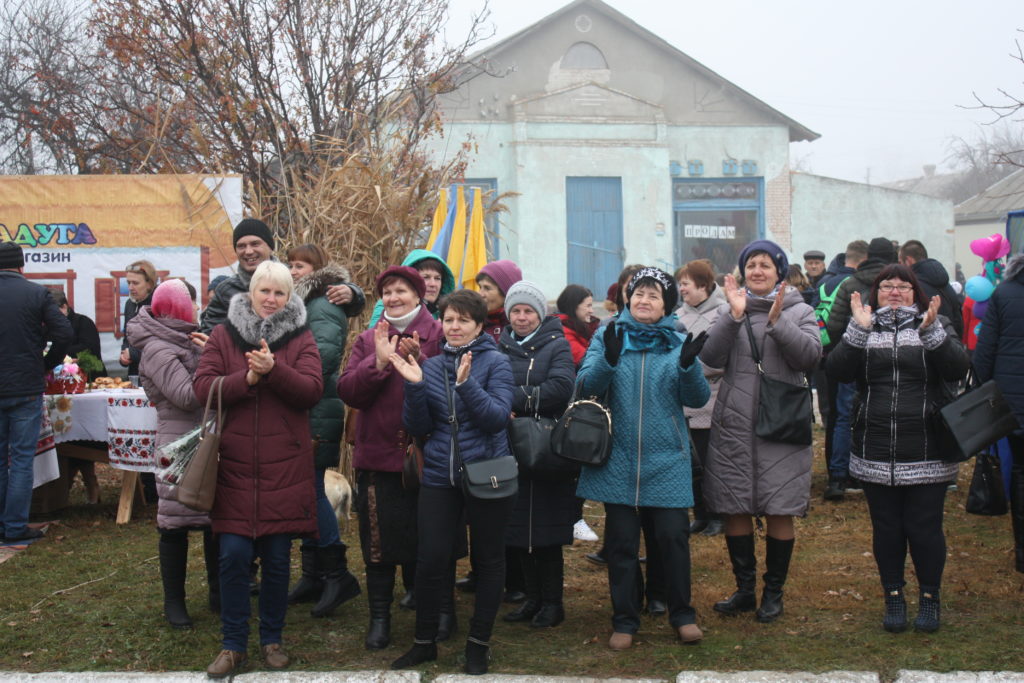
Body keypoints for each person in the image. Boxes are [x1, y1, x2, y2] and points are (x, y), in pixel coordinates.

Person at [194, 261, 323, 678]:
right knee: (231, 557)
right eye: (264, 291)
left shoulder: (301, 337)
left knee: (278, 558)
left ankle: (272, 638)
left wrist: (275, 371)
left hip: (284, 466)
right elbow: (203, 387)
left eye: (279, 293)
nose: (270, 299)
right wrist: (246, 379)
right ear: (251, 292)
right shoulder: (222, 335)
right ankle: (233, 645)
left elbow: (311, 391)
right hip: (232, 464)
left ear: (290, 298)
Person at [827, 264, 969, 633]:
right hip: (874, 447)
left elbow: (957, 369)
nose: (894, 291)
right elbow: (837, 371)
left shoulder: (932, 321)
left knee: (925, 529)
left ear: (915, 293)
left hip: (928, 448)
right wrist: (856, 330)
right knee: (887, 529)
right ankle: (893, 597)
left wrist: (932, 332)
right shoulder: (863, 324)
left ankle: (929, 599)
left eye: (903, 286)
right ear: (875, 293)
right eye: (886, 286)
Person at [576, 267, 710, 650]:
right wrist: (609, 360)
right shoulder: (608, 335)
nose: (644, 301)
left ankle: (682, 615)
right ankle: (625, 620)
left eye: (653, 295)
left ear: (667, 304)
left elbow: (697, 399)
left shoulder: (678, 339)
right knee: (620, 544)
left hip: (667, 457)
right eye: (638, 294)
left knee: (672, 538)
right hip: (617, 457)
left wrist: (687, 367)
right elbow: (584, 385)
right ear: (627, 299)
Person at [389, 289, 515, 675]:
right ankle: (424, 643)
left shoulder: (496, 362)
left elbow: (496, 418)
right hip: (440, 475)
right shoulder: (429, 365)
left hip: (487, 472)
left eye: (463, 320)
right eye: (448, 319)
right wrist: (413, 385)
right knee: (430, 559)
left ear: (479, 324)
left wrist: (466, 385)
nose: (454, 326)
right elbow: (419, 427)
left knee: (488, 559)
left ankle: (478, 644)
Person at [700, 239, 821, 624]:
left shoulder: (800, 310)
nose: (757, 271)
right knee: (735, 505)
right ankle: (745, 590)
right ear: (742, 272)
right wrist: (732, 317)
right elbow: (710, 361)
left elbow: (809, 357)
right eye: (751, 265)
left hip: (781, 425)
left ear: (779, 273)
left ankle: (774, 593)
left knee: (779, 508)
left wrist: (777, 320)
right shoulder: (728, 311)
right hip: (734, 424)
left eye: (766, 265)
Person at [337, 266, 445, 650]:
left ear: (419, 296)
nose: (394, 297)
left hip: (431, 456)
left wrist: (423, 361)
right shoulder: (370, 339)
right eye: (387, 291)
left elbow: (452, 389)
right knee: (379, 542)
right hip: (379, 457)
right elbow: (349, 391)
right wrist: (379, 363)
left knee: (431, 539)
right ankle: (379, 617)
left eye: (402, 290)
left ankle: (435, 610)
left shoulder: (440, 333)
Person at [127, 279, 218, 630]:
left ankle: (218, 594)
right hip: (177, 442)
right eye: (190, 305)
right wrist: (212, 358)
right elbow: (185, 395)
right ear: (179, 311)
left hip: (204, 438)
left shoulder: (182, 340)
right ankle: (174, 602)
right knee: (174, 526)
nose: (196, 310)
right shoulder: (158, 348)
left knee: (214, 522)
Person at [285, 244, 361, 618]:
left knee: (314, 491)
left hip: (316, 410)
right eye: (291, 265)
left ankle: (337, 574)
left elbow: (324, 357)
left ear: (316, 269)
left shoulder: (323, 304)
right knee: (304, 492)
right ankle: (314, 574)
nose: (293, 270)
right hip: (306, 408)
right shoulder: (302, 304)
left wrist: (284, 372)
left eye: (300, 265)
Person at [498, 281, 576, 628]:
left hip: (545, 447)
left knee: (545, 530)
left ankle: (552, 602)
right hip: (509, 445)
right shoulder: (498, 345)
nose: (522, 317)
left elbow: (561, 388)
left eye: (528, 310)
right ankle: (531, 598)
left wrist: (512, 399)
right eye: (516, 310)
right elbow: (488, 385)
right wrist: (523, 396)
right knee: (516, 528)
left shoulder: (556, 344)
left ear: (539, 314)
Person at [0, 243, 72, 543]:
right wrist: (44, 364)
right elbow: (64, 334)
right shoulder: (36, 293)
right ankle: (14, 527)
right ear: (21, 266)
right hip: (26, 387)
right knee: (20, 459)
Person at [200, 218, 365, 333]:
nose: (248, 251)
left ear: (270, 246)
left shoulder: (293, 278)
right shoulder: (225, 291)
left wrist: (352, 293)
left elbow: (323, 284)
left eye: (255, 244)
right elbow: (208, 333)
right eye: (241, 246)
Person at [973, 251, 1024, 575]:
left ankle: (1022, 554)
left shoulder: (1004, 293)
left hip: (1014, 403)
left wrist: (983, 390)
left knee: (1020, 472)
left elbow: (985, 349)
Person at [674, 260, 727, 537]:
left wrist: (689, 368)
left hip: (714, 399)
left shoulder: (722, 313)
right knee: (690, 462)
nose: (681, 288)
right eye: (680, 283)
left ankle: (719, 514)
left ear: (703, 286)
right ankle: (700, 514)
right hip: (685, 401)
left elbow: (720, 358)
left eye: (686, 283)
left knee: (711, 462)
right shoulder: (677, 316)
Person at [815, 241, 868, 500]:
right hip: (853, 353)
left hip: (830, 354)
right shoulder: (856, 284)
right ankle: (855, 471)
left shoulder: (825, 283)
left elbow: (822, 320)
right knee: (852, 415)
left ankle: (835, 473)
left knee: (836, 416)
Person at [554, 283, 601, 543]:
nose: (592, 312)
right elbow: (586, 361)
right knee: (574, 466)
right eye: (588, 306)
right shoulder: (565, 334)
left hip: (579, 408)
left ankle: (573, 516)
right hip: (571, 411)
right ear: (575, 307)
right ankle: (572, 518)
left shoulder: (582, 330)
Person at [53, 290, 107, 504]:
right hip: (59, 389)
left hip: (88, 384)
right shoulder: (48, 327)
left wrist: (63, 354)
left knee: (84, 434)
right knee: (65, 433)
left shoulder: (83, 322)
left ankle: (88, 481)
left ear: (65, 307)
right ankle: (66, 484)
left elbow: (91, 349)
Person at [367, 249, 456, 326]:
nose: (433, 284)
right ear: (409, 281)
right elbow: (373, 341)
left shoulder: (448, 310)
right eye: (426, 277)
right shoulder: (388, 304)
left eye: (437, 278)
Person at [898, 240, 964, 339]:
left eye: (900, 262)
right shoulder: (946, 285)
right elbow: (958, 318)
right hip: (949, 342)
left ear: (908, 261)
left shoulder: (913, 287)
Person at [121, 259, 157, 376]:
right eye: (128, 283)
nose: (130, 287)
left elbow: (162, 343)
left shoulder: (159, 304)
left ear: (149, 284)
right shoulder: (129, 304)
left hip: (155, 373)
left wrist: (132, 353)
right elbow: (127, 337)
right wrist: (124, 355)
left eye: (135, 283)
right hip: (134, 373)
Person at [475, 259, 523, 342]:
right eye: (480, 287)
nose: (481, 294)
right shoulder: (475, 323)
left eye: (487, 288)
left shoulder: (523, 328)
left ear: (506, 293)